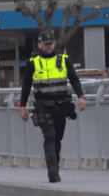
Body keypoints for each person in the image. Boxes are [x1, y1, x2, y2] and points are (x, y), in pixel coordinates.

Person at [20, 30, 87, 183]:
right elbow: (26, 86)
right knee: (49, 136)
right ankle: (52, 171)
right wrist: (22, 106)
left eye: (51, 43)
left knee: (58, 138)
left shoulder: (64, 59)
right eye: (45, 44)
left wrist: (81, 97)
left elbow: (74, 79)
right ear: (39, 45)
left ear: (54, 44)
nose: (49, 46)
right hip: (42, 105)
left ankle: (54, 164)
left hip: (61, 105)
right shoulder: (33, 62)